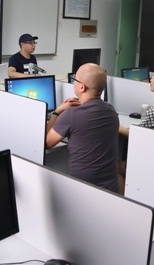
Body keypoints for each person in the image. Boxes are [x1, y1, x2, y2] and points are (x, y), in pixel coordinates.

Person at [45, 63, 119, 193]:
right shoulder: (111, 110)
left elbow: (47, 143)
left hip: (81, 187)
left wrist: (57, 112)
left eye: (75, 79)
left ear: (82, 87)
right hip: (110, 186)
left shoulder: (71, 115)